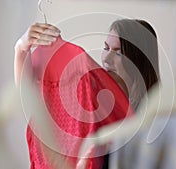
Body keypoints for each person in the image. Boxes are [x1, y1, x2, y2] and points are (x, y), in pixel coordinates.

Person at [14, 19, 159, 169]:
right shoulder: (92, 94)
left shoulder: (156, 116)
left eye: (118, 52)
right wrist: (21, 48)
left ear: (139, 60)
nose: (107, 59)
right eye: (106, 48)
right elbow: (27, 94)